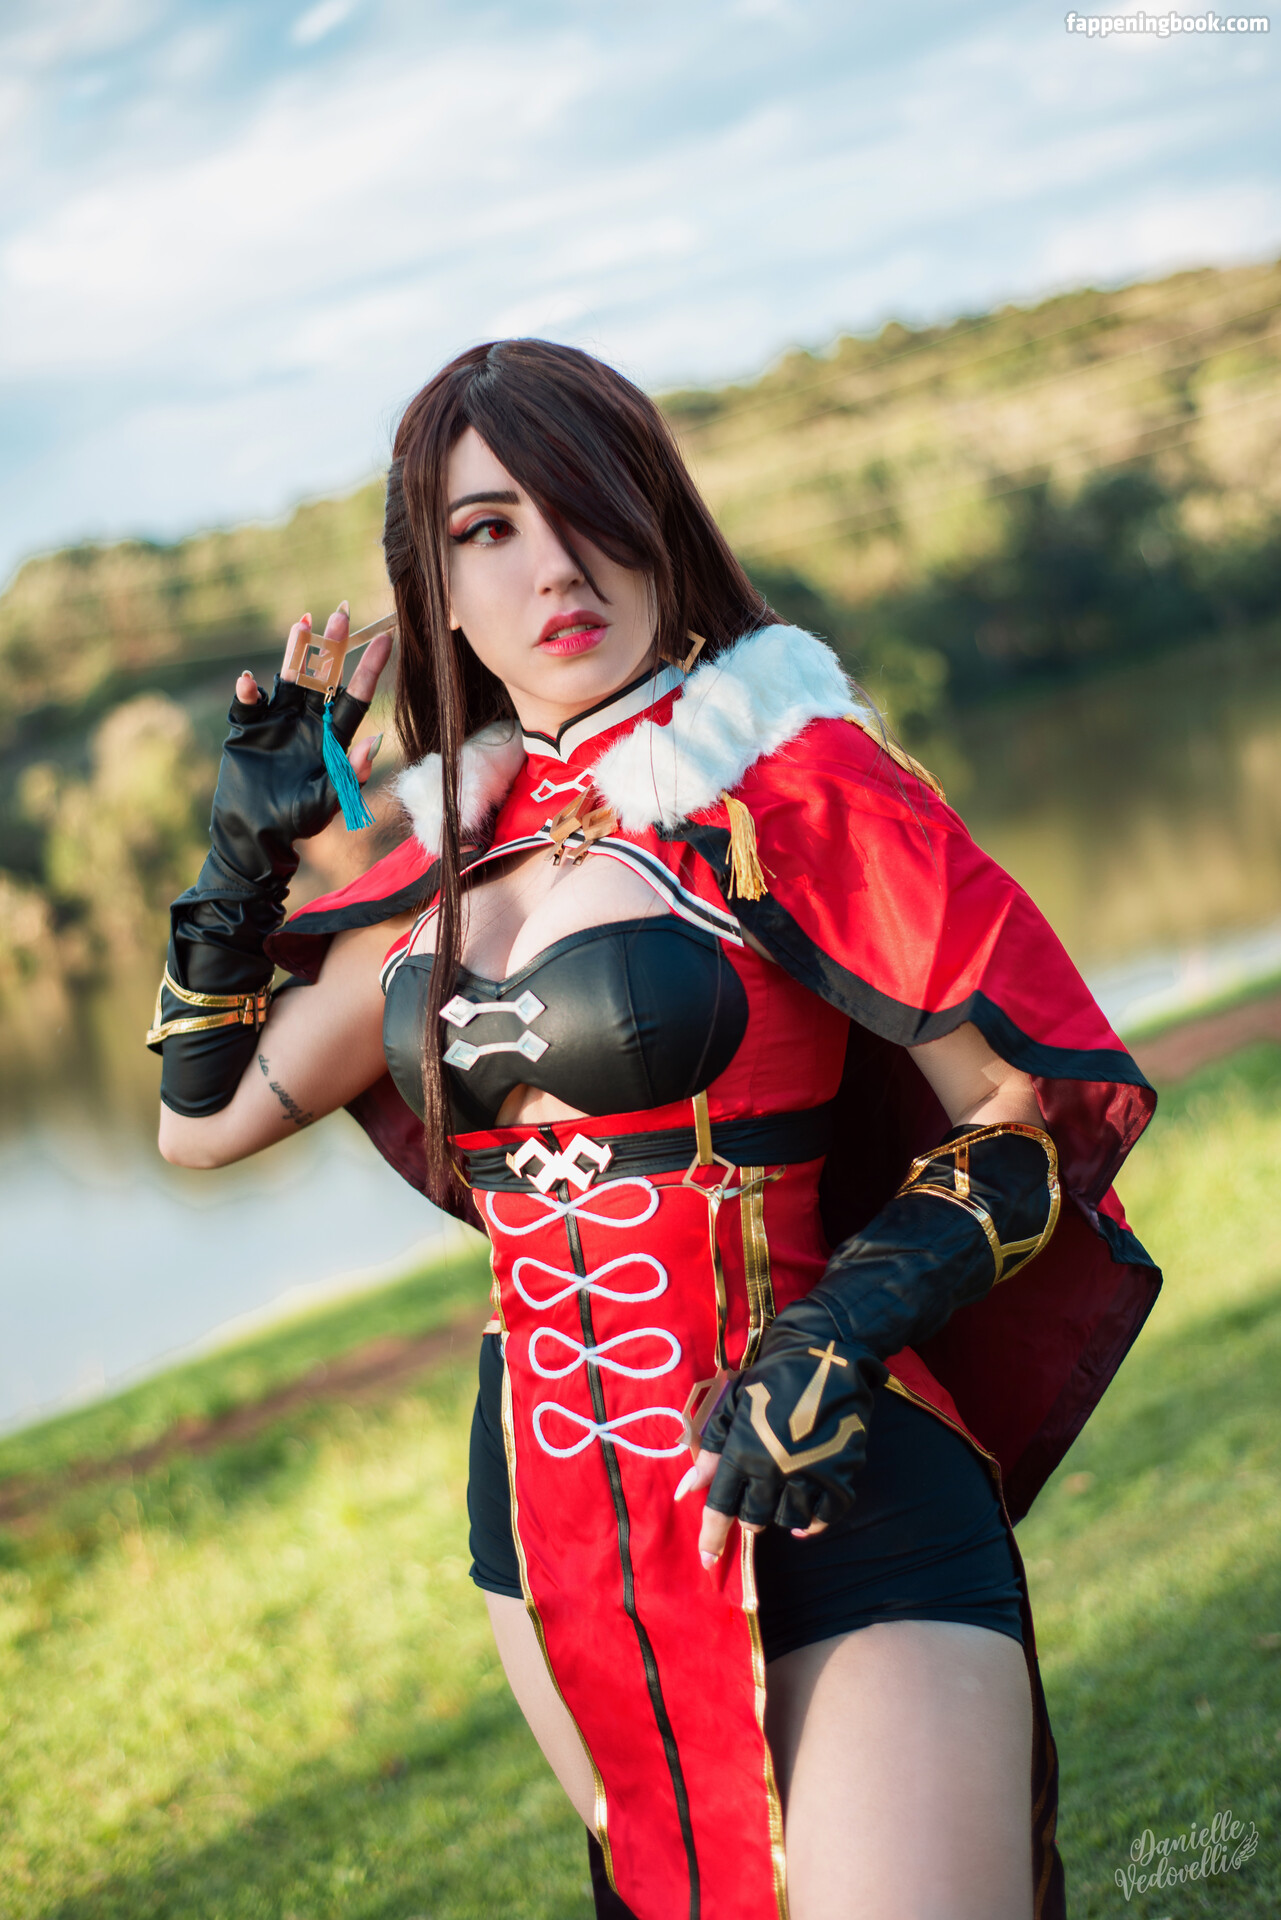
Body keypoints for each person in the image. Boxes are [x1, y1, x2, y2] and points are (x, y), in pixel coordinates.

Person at [151, 338, 1159, 1920]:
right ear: (438, 589)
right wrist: (238, 863)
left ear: (659, 521)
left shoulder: (794, 783)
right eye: (488, 530)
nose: (553, 565)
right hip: (549, 1522)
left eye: (585, 506)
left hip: (824, 1466)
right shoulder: (442, 868)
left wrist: (840, 1329)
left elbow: (1022, 1118)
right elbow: (200, 1125)